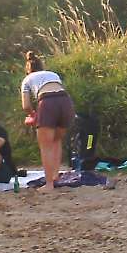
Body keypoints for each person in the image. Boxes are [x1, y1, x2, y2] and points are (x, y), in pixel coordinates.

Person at [20, 50, 75, 192]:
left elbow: (26, 106)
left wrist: (33, 115)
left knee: (46, 146)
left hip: (47, 102)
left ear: (28, 69)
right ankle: (55, 177)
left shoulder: (27, 79)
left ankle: (49, 184)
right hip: (65, 101)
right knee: (56, 140)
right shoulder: (53, 74)